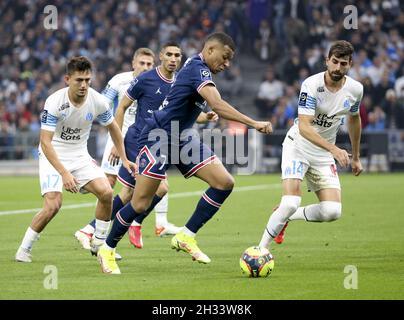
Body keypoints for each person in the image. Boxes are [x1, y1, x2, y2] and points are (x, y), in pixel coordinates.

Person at [97, 32, 272, 274]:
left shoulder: (198, 69)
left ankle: (186, 236)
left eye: (230, 59)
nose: (227, 64)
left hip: (181, 137)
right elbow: (218, 105)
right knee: (139, 203)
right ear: (210, 50)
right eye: (225, 57)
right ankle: (107, 249)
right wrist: (253, 123)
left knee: (224, 182)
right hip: (157, 136)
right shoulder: (198, 68)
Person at [15, 56, 135, 262]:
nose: (84, 85)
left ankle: (99, 243)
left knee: (106, 192)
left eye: (87, 80)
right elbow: (45, 142)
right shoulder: (54, 101)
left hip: (79, 156)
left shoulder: (97, 100)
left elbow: (114, 128)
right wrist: (64, 173)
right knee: (53, 205)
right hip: (53, 155)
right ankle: (24, 249)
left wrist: (124, 158)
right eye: (79, 80)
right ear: (67, 79)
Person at [258, 40, 363, 250]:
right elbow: (305, 127)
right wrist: (334, 149)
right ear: (327, 60)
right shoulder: (311, 85)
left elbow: (354, 118)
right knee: (290, 202)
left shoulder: (356, 89)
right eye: (334, 62)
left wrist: (356, 157)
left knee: (332, 211)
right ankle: (260, 249)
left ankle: (286, 217)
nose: (337, 68)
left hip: (322, 154)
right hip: (298, 146)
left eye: (343, 63)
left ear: (350, 64)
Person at [74, 48, 178, 251]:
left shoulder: (155, 81)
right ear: (133, 63)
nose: (145, 67)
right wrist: (115, 143)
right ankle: (103, 229)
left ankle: (102, 229)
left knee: (140, 190)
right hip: (122, 140)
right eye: (142, 63)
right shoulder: (119, 81)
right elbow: (104, 104)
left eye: (149, 64)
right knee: (112, 186)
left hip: (142, 143)